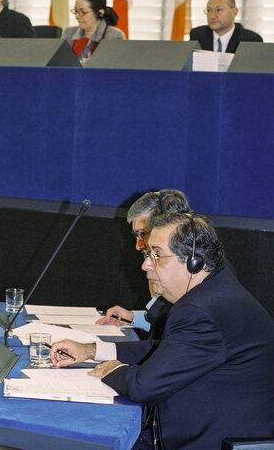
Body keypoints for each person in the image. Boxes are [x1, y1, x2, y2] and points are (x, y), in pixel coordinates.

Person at [51, 211, 274, 450]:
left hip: (209, 442)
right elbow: (167, 351)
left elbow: (143, 386)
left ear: (192, 262)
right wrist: (92, 350)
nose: (146, 264)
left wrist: (113, 370)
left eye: (157, 255)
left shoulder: (202, 310)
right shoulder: (217, 286)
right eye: (149, 254)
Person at [97, 189, 191, 340]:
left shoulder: (190, 269)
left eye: (143, 234)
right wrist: (132, 317)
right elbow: (166, 324)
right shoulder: (160, 262)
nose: (138, 245)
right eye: (136, 235)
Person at [62, 0, 125, 65]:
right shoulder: (69, 33)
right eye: (76, 11)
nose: (77, 16)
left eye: (83, 12)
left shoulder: (114, 36)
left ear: (100, 13)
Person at [190, 0, 263, 53]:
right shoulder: (197, 36)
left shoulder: (251, 40)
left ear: (234, 12)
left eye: (218, 10)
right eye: (209, 10)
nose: (212, 16)